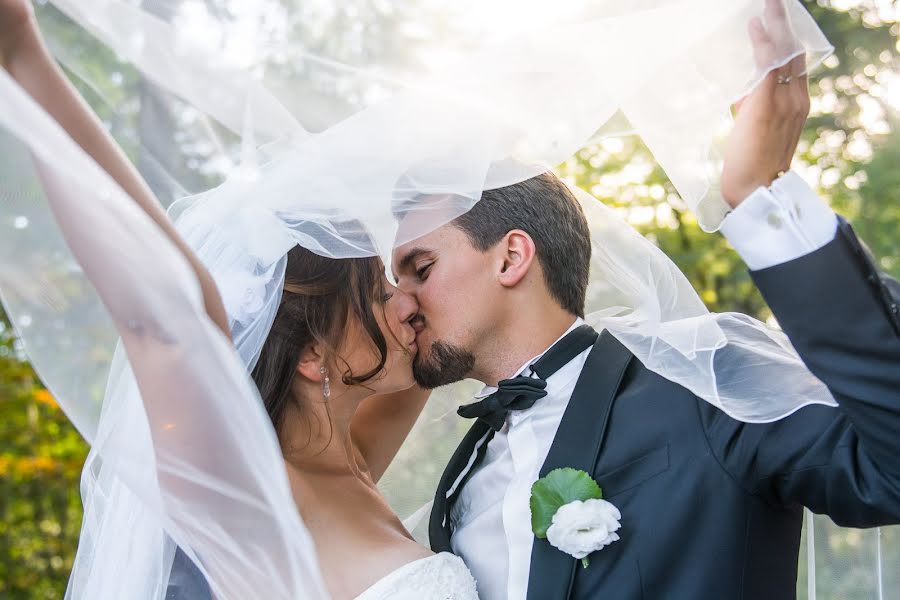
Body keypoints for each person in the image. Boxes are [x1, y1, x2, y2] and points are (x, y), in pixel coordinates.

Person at [392, 1, 900, 598]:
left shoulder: (701, 379)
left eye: (419, 269)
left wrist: (765, 202)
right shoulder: (462, 476)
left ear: (511, 257)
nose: (402, 302)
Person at [0, 2, 478, 598]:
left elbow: (452, 319)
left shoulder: (351, 461)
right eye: (382, 294)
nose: (410, 302)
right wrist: (21, 50)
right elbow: (169, 321)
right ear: (313, 355)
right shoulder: (256, 494)